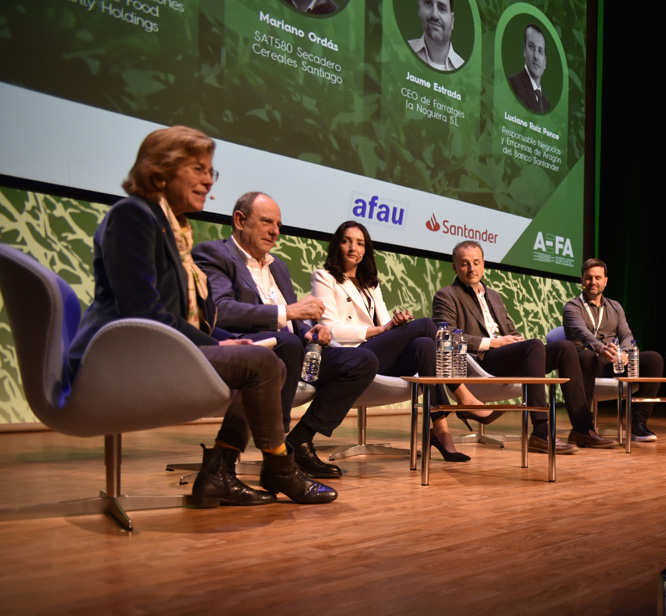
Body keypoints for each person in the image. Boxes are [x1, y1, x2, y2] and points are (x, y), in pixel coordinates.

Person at [66, 126, 335, 506]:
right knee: (263, 363)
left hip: (156, 344)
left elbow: (183, 316)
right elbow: (143, 312)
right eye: (197, 169)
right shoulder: (133, 215)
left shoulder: (175, 230)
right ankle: (277, 466)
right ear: (160, 170)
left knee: (268, 355)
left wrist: (227, 341)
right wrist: (217, 343)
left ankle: (222, 472)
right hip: (122, 354)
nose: (208, 180)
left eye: (211, 171)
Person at [193, 193, 377, 480]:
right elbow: (221, 310)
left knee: (362, 360)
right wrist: (288, 313)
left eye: (278, 225)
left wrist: (310, 330)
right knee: (287, 344)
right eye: (267, 222)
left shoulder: (278, 266)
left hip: (296, 351)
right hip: (248, 349)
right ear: (240, 221)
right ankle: (277, 459)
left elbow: (295, 321)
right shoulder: (216, 254)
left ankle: (300, 439)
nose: (275, 231)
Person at [312, 220, 494, 462]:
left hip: (378, 355)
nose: (354, 248)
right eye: (347, 241)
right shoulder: (324, 277)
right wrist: (380, 329)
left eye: (360, 243)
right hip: (351, 356)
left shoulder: (370, 283)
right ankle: (462, 395)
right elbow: (329, 329)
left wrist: (396, 323)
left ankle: (441, 430)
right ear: (337, 245)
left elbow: (386, 325)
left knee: (425, 346)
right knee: (427, 325)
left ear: (366, 249)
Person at [433, 240, 616, 454]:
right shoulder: (447, 295)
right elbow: (445, 336)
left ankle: (582, 429)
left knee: (565, 348)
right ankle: (541, 432)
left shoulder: (494, 296)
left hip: (507, 356)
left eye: (476, 262)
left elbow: (511, 330)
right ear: (455, 267)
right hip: (480, 360)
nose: (471, 268)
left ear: (483, 265)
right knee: (535, 345)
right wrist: (494, 342)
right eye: (465, 263)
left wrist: (516, 339)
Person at [562, 257, 663, 442]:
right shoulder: (572, 307)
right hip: (586, 363)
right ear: (582, 280)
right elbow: (583, 334)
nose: (593, 282)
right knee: (586, 356)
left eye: (598, 278)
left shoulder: (615, 307)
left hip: (614, 362)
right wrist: (601, 349)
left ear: (605, 281)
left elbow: (627, 335)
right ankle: (583, 428)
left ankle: (638, 424)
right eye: (588, 278)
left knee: (654, 359)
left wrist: (625, 353)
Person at [407, 0, 463, 71]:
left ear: (452, 20)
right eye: (428, 4)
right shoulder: (400, 52)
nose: (434, 15)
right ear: (419, 9)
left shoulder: (466, 72)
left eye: (442, 8)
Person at [507, 23, 550, 113]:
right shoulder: (513, 84)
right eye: (531, 47)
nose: (536, 56)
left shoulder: (546, 103)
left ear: (545, 62)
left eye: (540, 51)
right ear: (524, 50)